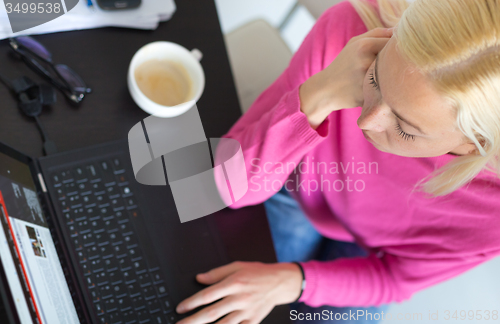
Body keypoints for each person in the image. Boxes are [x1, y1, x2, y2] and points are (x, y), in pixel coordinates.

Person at [175, 0, 500, 323]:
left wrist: (293, 281)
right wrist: (322, 92)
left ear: (477, 144)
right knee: (199, 279)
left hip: (381, 252)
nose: (366, 122)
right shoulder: (352, 33)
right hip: (300, 187)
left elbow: (395, 277)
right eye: (373, 80)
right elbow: (226, 185)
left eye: (404, 127)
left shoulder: (493, 213)